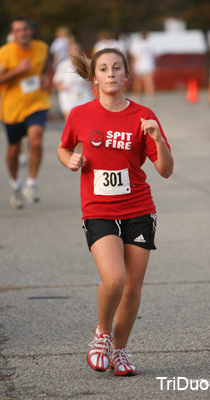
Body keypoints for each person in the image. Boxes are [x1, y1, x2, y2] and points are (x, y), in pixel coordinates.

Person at [57, 48, 173, 376]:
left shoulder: (143, 115)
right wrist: (70, 161)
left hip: (138, 208)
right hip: (99, 210)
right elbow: (64, 147)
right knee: (115, 279)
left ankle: (119, 351)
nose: (111, 73)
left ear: (126, 75)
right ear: (94, 77)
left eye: (117, 68)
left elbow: (165, 170)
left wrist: (157, 140)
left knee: (133, 287)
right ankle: (102, 334)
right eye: (104, 69)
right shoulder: (80, 114)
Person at [0, 17, 51, 208]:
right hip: (12, 110)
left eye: (25, 29)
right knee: (14, 150)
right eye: (18, 30)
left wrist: (46, 78)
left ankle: (31, 183)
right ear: (13, 33)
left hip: (37, 103)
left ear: (29, 31)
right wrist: (17, 70)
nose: (22, 33)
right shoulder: (5, 53)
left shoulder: (41, 47)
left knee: (36, 139)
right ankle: (14, 183)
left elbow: (47, 67)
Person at [53, 41, 93, 120]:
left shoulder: (87, 63)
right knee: (70, 119)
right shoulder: (63, 65)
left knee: (85, 120)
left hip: (84, 95)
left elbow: (94, 78)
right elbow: (56, 80)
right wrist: (61, 87)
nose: (76, 52)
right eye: (73, 50)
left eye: (77, 50)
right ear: (68, 52)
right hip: (68, 96)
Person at [130, 30, 156, 104]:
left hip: (139, 65)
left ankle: (136, 96)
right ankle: (150, 98)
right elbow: (154, 56)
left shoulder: (136, 45)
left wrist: (132, 66)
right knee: (148, 82)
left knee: (138, 82)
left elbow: (134, 57)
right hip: (148, 65)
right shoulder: (150, 45)